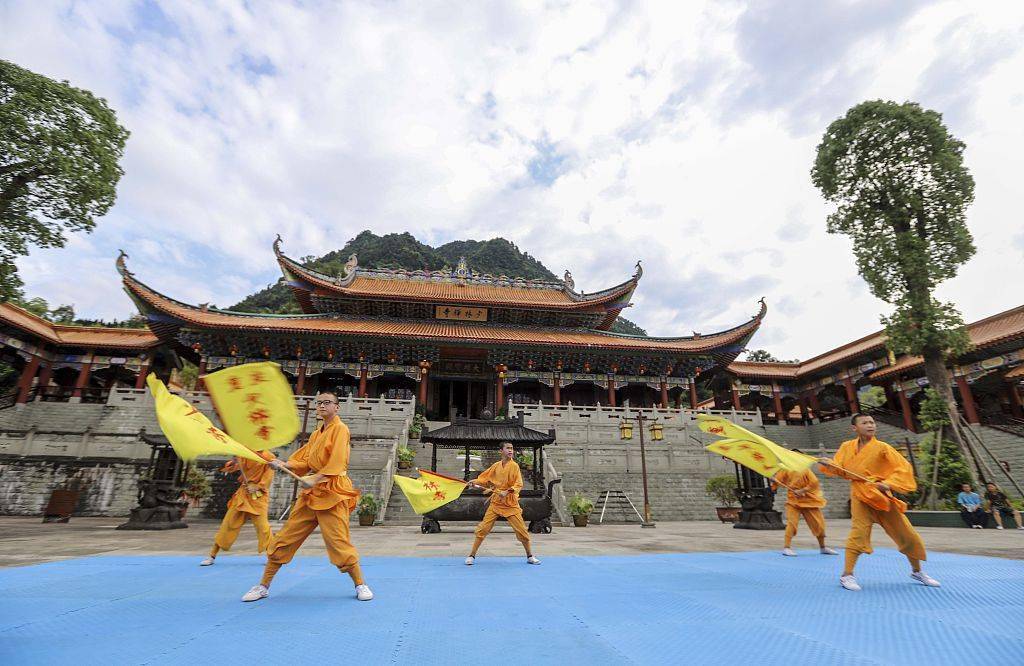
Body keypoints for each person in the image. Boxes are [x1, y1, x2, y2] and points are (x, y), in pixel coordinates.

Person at [241, 391, 372, 602]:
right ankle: (263, 585)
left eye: (327, 403)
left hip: (332, 491)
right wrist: (285, 464)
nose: (321, 406)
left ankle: (360, 584)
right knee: (286, 536)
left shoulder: (340, 429)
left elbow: (338, 461)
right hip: (311, 494)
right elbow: (305, 461)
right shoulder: (315, 434)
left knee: (338, 541)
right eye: (319, 403)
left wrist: (318, 477)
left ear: (336, 407)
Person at [819, 413, 940, 591]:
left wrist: (888, 484)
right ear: (855, 428)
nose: (870, 425)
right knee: (858, 533)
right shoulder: (846, 447)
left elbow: (903, 468)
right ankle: (847, 575)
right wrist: (829, 464)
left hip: (881, 494)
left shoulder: (883, 447)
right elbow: (842, 470)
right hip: (860, 495)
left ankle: (917, 571)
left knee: (906, 533)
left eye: (872, 422)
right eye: (865, 423)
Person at [464, 441, 540, 566]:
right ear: (501, 451)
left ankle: (530, 555)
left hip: (510, 503)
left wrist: (507, 491)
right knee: (483, 528)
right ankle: (471, 555)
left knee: (522, 531)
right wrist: (475, 482)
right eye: (508, 448)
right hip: (496, 503)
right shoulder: (496, 466)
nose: (511, 450)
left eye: (512, 448)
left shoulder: (514, 466)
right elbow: (485, 479)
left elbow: (518, 483)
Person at [200, 451, 276, 565]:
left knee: (263, 527)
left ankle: (271, 556)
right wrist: (233, 461)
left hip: (258, 497)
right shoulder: (244, 453)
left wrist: (257, 486)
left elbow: (268, 478)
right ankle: (212, 555)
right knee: (228, 523)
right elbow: (232, 468)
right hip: (242, 495)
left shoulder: (269, 457)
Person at [771, 455, 838, 556]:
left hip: (809, 500)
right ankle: (786, 547)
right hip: (793, 501)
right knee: (792, 523)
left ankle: (823, 547)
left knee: (819, 525)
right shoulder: (786, 469)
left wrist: (802, 490)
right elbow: (778, 481)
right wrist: (773, 480)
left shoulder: (805, 469)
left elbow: (814, 482)